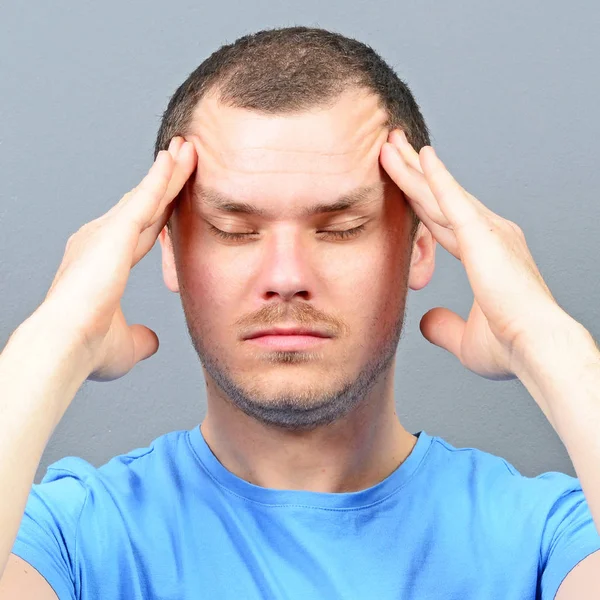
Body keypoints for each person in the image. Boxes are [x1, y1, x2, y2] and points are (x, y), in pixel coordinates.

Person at [0, 26, 599, 600]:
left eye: (341, 229)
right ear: (171, 253)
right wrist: (54, 340)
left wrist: (545, 341)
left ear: (420, 248)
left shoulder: (548, 537)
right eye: (233, 231)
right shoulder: (70, 539)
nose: (286, 277)